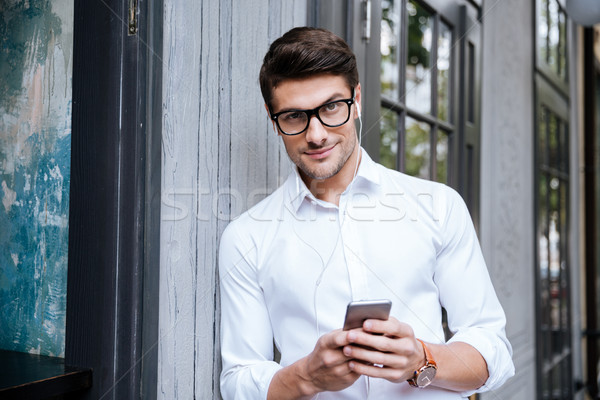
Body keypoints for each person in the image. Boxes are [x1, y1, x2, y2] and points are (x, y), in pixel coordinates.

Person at [219, 27, 514, 399]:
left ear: (356, 99)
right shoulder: (246, 238)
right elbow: (238, 381)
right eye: (294, 116)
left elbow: (493, 350)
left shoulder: (438, 206)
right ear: (272, 117)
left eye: (330, 108)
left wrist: (422, 360)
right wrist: (307, 377)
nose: (316, 135)